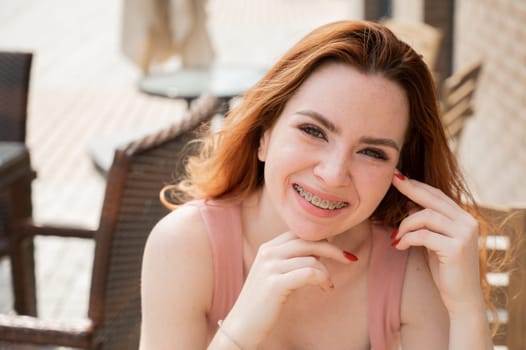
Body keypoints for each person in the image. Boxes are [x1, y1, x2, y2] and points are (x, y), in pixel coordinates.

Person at [139, 20, 495, 349]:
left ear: (398, 171)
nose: (333, 173)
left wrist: (466, 309)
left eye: (372, 152)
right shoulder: (185, 247)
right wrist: (239, 331)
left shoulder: (410, 263)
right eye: (313, 131)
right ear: (264, 134)